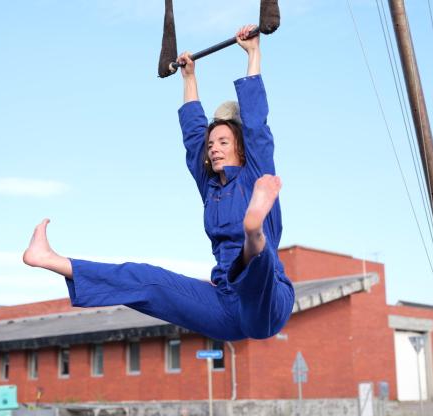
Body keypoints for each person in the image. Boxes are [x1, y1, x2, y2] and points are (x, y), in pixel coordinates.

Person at [23, 25, 294, 341]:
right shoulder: (211, 188)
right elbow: (194, 136)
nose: (215, 148)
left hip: (266, 302)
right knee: (147, 281)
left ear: (240, 146)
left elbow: (256, 121)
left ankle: (254, 230)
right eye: (212, 144)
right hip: (225, 306)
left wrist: (253, 53)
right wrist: (189, 78)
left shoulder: (255, 173)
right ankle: (50, 259)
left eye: (223, 141)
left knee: (255, 264)